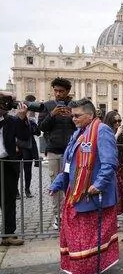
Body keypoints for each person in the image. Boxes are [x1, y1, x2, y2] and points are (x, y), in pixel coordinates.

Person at [49, 99, 119, 274]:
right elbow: (68, 163)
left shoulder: (102, 130)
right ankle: (81, 267)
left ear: (90, 114)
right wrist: (57, 183)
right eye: (72, 115)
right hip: (77, 192)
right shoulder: (78, 133)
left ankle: (85, 273)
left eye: (77, 116)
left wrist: (99, 184)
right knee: (74, 233)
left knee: (85, 237)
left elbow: (109, 163)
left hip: (92, 194)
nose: (74, 119)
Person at [38, 77, 76, 229]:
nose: (58, 94)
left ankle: (71, 212)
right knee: (56, 184)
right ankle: (58, 215)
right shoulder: (47, 106)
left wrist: (72, 117)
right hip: (54, 150)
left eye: (61, 91)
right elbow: (41, 127)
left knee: (72, 182)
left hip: (72, 151)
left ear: (67, 92)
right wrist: (52, 114)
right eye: (56, 91)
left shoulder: (74, 106)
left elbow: (81, 126)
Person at [0, 92, 30, 246]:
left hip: (8, 163)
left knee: (9, 200)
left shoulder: (11, 121)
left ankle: (8, 234)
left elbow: (24, 136)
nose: (5, 105)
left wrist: (23, 118)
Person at [16, 104, 41, 199]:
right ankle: (16, 191)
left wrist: (33, 127)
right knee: (16, 171)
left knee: (28, 171)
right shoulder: (14, 120)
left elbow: (38, 133)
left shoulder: (30, 122)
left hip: (28, 149)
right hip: (17, 149)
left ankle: (27, 189)